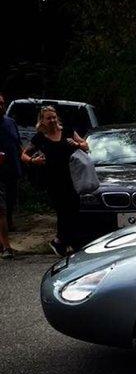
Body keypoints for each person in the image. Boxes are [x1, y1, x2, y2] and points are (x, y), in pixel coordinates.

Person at [21, 105, 89, 256]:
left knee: (74, 209)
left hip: (72, 177)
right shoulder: (40, 137)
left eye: (54, 117)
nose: (52, 120)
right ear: (42, 121)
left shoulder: (67, 131)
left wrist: (77, 144)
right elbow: (24, 155)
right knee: (63, 211)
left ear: (57, 117)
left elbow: (86, 145)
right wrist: (33, 161)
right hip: (53, 180)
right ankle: (68, 243)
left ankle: (61, 242)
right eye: (48, 118)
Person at [0, 94, 22, 258]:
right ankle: (5, 246)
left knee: (10, 202)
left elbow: (18, 144)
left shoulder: (10, 122)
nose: (1, 106)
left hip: (12, 170)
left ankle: (8, 228)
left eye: (2, 103)